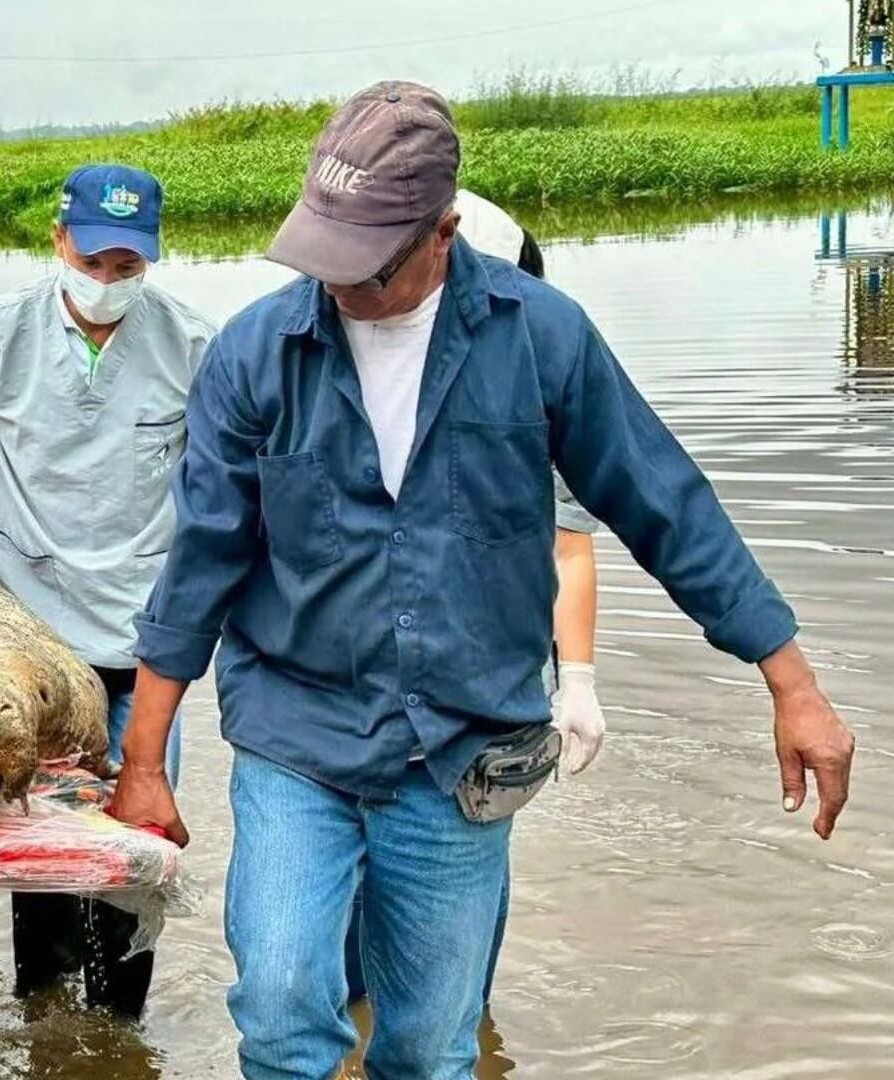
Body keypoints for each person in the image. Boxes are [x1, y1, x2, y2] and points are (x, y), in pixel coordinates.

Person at [106, 82, 855, 1079]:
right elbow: (201, 562)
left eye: (365, 265)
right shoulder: (256, 354)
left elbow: (665, 505)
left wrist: (792, 683)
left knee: (428, 1047)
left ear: (442, 232)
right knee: (284, 1007)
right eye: (323, 257)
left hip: (461, 746)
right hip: (300, 731)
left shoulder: (540, 339)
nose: (339, 288)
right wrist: (144, 761)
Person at [0, 163, 213, 1017]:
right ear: (59, 239)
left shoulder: (191, 343)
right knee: (35, 848)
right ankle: (45, 1012)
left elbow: (230, 479)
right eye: (95, 260)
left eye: (128, 268)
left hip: (143, 644)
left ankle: (119, 1033)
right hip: (29, 640)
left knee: (135, 847)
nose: (108, 282)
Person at [341, 187, 607, 1006]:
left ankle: (459, 1022)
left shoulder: (535, 360)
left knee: (458, 942)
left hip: (482, 694)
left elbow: (570, 542)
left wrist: (581, 681)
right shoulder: (352, 347)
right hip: (360, 696)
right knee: (351, 909)